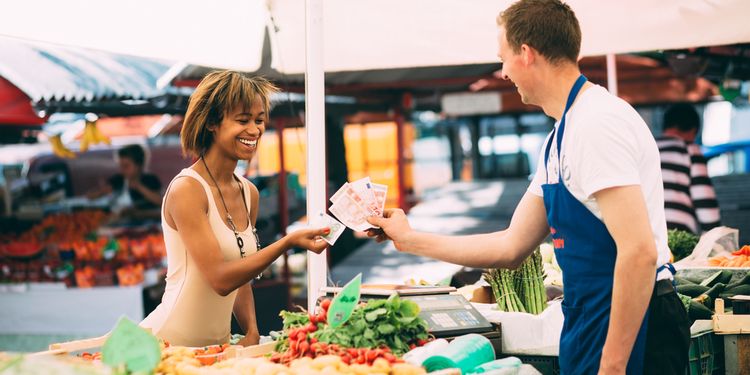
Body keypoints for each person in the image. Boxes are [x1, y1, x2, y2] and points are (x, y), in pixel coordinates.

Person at [368, 1, 689, 373]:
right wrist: (408, 238)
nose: (503, 72)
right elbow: (510, 246)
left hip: (634, 326)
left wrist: (613, 367)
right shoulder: (561, 137)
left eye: (502, 59)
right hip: (590, 319)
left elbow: (638, 252)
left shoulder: (596, 125)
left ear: (526, 53)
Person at [140, 71, 329, 347]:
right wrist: (287, 242)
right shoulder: (188, 190)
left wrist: (252, 330)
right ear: (212, 123)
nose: (254, 130)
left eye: (259, 120)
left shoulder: (247, 192)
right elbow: (220, 279)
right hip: (167, 344)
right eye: (242, 120)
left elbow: (242, 274)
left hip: (218, 347)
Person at [656, 103, 720, 234]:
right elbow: (705, 205)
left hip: (645, 237)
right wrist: (714, 243)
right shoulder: (689, 150)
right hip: (677, 237)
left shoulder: (647, 149)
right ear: (693, 130)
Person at [88, 144, 162, 212]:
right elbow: (90, 197)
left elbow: (161, 202)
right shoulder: (118, 180)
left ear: (139, 165)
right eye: (121, 166)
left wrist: (139, 187)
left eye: (126, 166)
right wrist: (101, 192)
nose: (122, 170)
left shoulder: (150, 180)